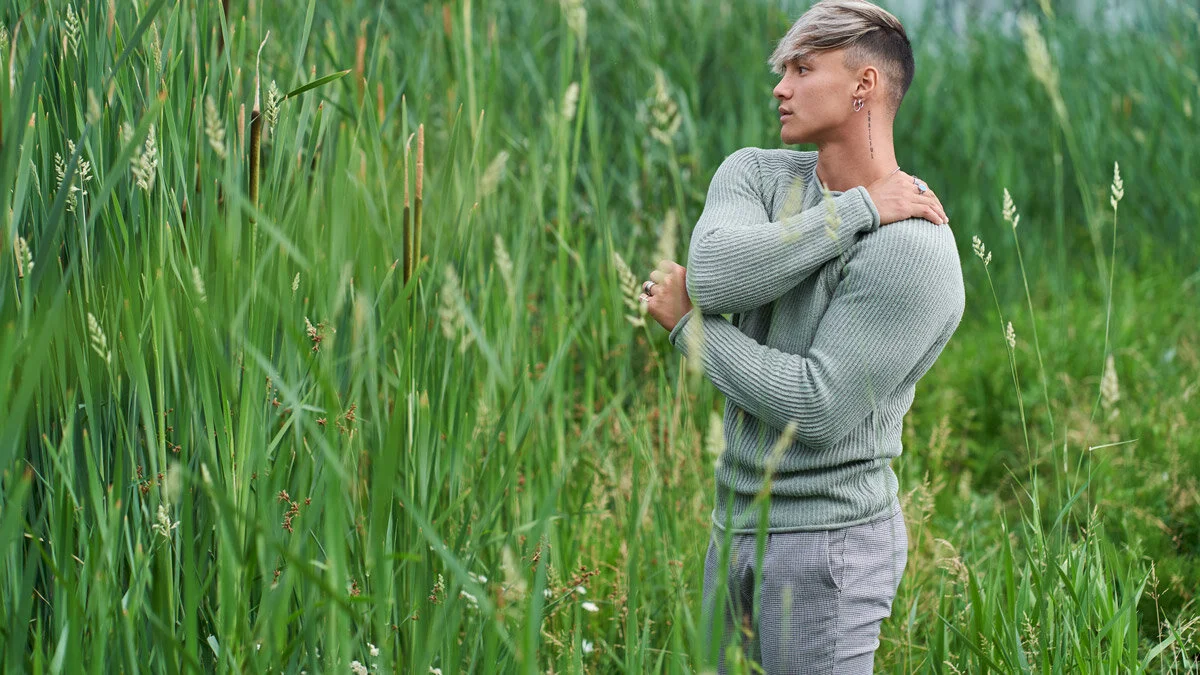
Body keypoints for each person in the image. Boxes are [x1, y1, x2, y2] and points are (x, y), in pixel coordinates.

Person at [636, 1, 965, 672]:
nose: (780, 88)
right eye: (783, 70)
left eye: (803, 69)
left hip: (827, 546)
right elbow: (714, 275)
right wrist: (857, 210)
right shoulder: (756, 175)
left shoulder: (915, 248)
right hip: (732, 526)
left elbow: (816, 407)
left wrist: (690, 328)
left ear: (864, 85)